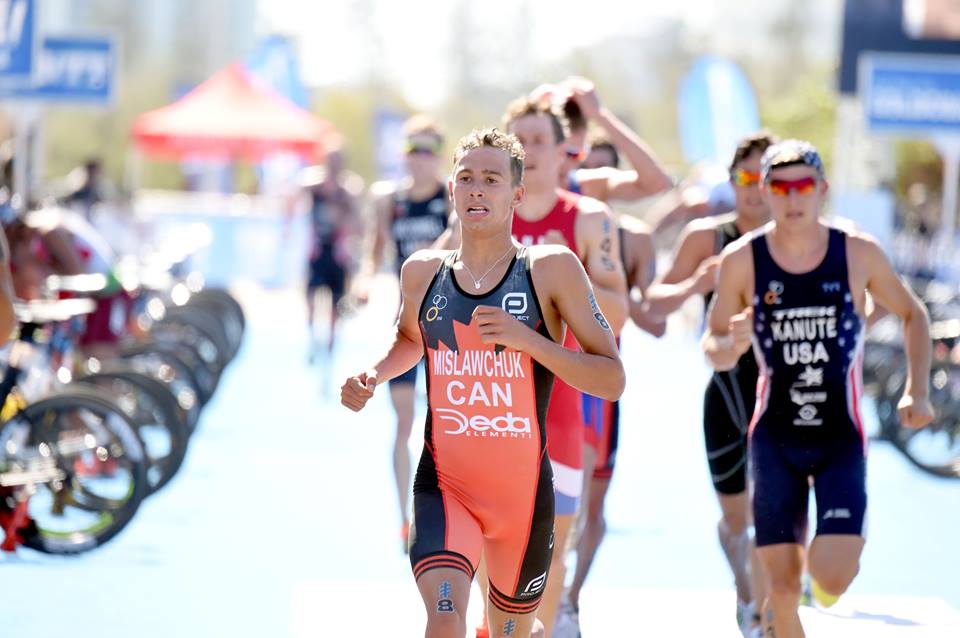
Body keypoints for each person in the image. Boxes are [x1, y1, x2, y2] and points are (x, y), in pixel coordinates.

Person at [341, 128, 624, 638]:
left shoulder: (551, 270)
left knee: (510, 631)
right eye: (466, 178)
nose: (476, 189)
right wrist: (373, 376)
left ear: (517, 193)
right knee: (445, 619)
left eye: (491, 179)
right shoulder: (422, 271)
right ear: (451, 189)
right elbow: (409, 338)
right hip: (446, 487)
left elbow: (612, 378)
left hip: (523, 499)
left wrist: (531, 341)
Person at [702, 139, 934, 638]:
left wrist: (917, 391)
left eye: (803, 185)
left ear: (822, 190)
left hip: (839, 438)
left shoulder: (857, 252)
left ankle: (828, 559)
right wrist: (731, 343)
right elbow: (712, 344)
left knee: (832, 577)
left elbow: (914, 313)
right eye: (780, 187)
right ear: (764, 191)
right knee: (780, 595)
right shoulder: (743, 260)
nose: (792, 197)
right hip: (774, 440)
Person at [504, 95, 628, 638]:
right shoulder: (480, 211)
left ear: (563, 154)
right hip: (486, 407)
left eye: (538, 141)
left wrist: (567, 273)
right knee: (491, 550)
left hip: (560, 404)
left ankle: (547, 626)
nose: (528, 151)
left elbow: (619, 312)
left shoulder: (588, 220)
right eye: (518, 140)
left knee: (552, 549)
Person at [644, 131, 777, 636]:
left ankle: (766, 612)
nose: (753, 189)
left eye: (763, 178)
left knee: (776, 517)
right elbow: (654, 304)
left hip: (785, 398)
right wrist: (698, 282)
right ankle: (746, 592)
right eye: (743, 177)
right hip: (726, 391)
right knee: (737, 523)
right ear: (731, 181)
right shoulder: (708, 237)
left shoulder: (799, 244)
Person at [358, 115, 451, 549]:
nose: (421, 159)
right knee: (403, 423)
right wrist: (362, 281)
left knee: (446, 424)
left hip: (449, 324)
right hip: (407, 326)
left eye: (430, 149)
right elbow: (373, 249)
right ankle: (405, 518)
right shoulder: (388, 200)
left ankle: (446, 510)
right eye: (414, 150)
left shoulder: (451, 198)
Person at [302, 149, 362, 364]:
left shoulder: (347, 191)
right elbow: (294, 196)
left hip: (337, 254)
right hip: (318, 250)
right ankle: (312, 339)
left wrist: (346, 238)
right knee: (310, 298)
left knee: (335, 305)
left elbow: (358, 223)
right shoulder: (314, 186)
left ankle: (330, 347)